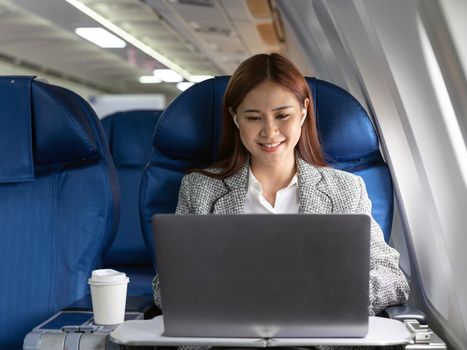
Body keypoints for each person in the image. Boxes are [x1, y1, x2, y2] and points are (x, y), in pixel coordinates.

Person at [152, 53, 409, 317]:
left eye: (282, 115)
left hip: (319, 336)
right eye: (254, 117)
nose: (269, 131)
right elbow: (165, 286)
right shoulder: (199, 188)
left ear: (303, 112)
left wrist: (334, 295)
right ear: (235, 117)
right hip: (228, 337)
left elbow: (391, 276)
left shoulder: (346, 189)